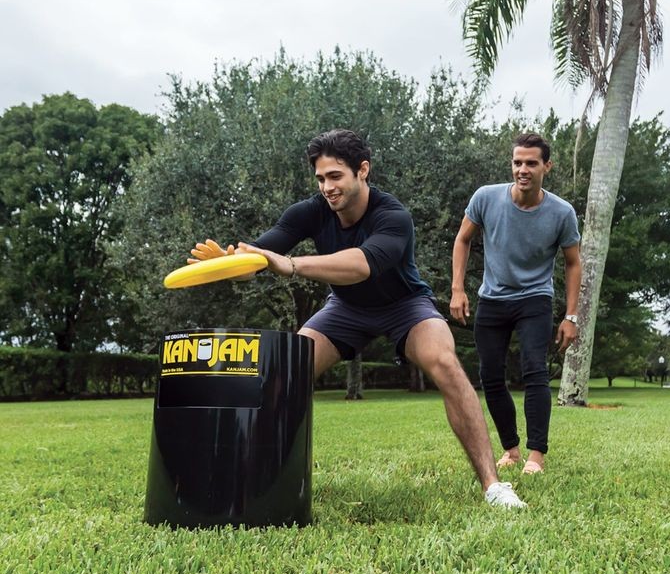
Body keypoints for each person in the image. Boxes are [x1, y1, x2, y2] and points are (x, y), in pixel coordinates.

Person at [190, 128, 526, 509]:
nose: (327, 187)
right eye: (320, 178)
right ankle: (257, 478)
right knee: (283, 372)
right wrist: (231, 263)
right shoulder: (307, 213)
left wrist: (293, 265)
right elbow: (261, 257)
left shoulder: (393, 215)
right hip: (346, 309)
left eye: (335, 176)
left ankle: (493, 487)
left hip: (405, 306)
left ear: (362, 170)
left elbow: (363, 265)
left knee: (445, 363)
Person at [450, 133, 581, 474]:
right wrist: (457, 289)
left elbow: (573, 262)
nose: (523, 169)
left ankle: (536, 455)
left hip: (535, 298)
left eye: (531, 163)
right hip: (492, 299)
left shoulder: (561, 213)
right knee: (490, 375)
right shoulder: (486, 198)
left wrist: (571, 316)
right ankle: (511, 450)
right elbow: (463, 239)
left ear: (546, 167)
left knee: (534, 369)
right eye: (517, 162)